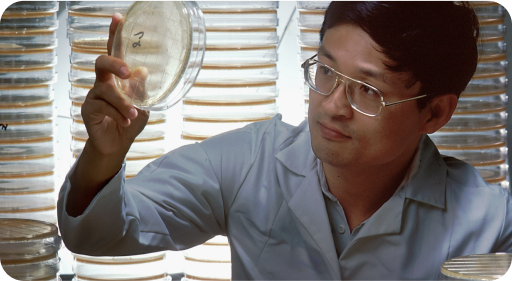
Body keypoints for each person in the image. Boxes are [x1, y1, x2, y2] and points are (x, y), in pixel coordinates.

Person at [58, 0, 512, 280]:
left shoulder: (491, 225)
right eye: (327, 72)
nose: (332, 105)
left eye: (367, 91)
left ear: (435, 112)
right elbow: (97, 234)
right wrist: (104, 154)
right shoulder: (248, 164)